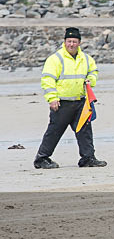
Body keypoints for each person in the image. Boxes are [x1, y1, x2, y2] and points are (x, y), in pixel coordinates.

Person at [34, 27, 106, 169]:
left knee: (84, 131)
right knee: (54, 132)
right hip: (61, 103)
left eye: (74, 41)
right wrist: (52, 98)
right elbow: (47, 80)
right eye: (69, 41)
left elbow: (94, 71)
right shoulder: (55, 59)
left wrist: (91, 80)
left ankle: (88, 158)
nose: (71, 44)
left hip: (81, 102)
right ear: (64, 42)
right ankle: (41, 159)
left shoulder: (86, 58)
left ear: (79, 43)